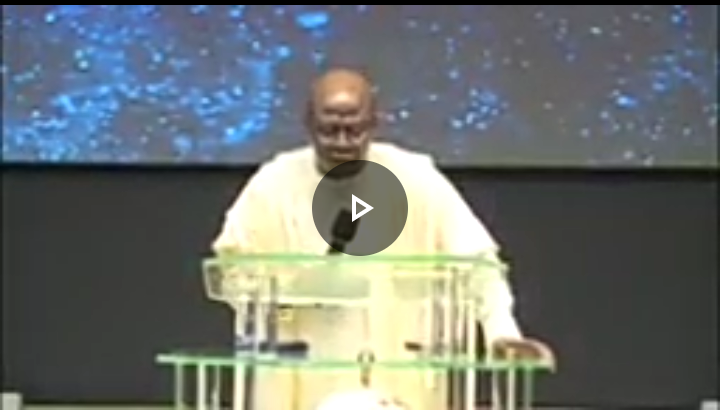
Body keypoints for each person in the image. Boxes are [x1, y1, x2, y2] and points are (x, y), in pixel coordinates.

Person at [212, 67, 555, 410]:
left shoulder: (415, 178)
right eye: (329, 131)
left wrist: (502, 331)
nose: (342, 143)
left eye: (354, 130)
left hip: (401, 380)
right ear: (308, 123)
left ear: (375, 123)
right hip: (306, 380)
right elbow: (233, 274)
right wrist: (291, 299)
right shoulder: (272, 186)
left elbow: (478, 264)